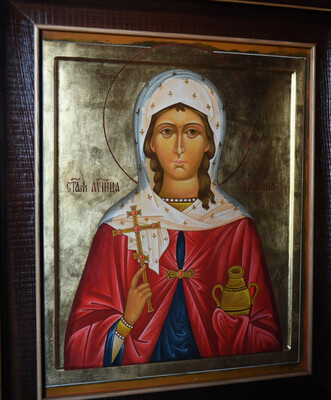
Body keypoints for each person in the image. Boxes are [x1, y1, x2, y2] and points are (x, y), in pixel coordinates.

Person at [64, 70, 281, 369]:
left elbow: (269, 342)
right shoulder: (120, 228)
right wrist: (126, 322)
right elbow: (78, 349)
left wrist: (231, 325)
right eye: (167, 131)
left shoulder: (236, 228)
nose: (179, 147)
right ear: (150, 141)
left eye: (192, 132)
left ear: (210, 142)